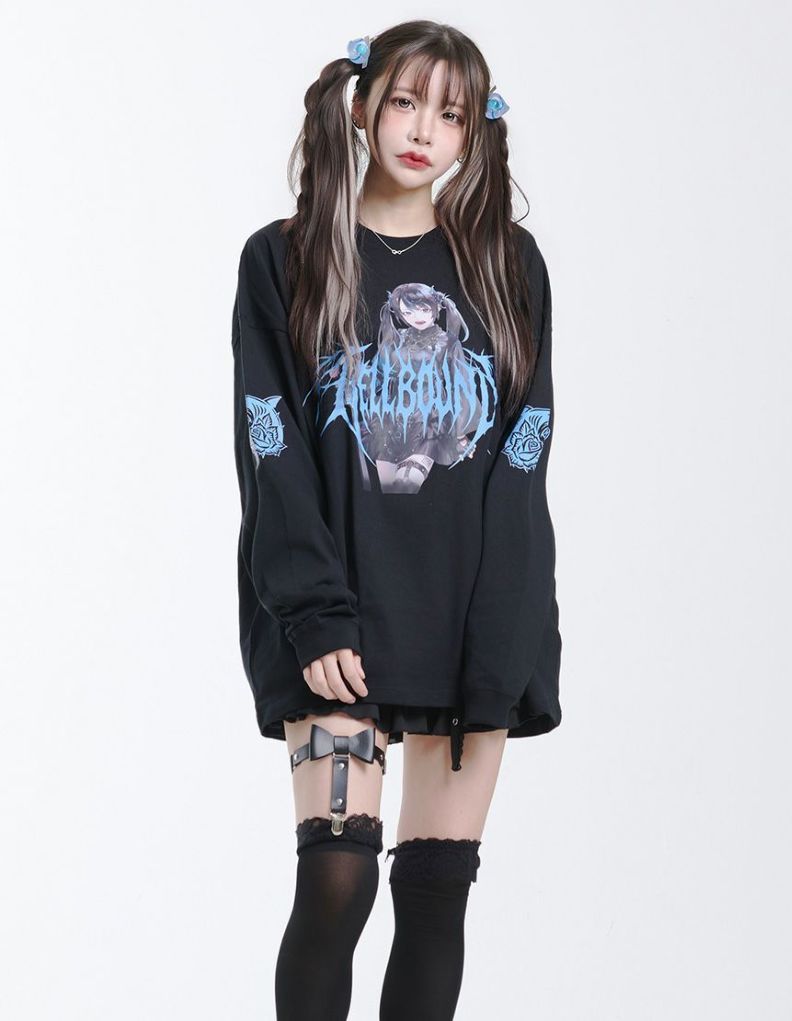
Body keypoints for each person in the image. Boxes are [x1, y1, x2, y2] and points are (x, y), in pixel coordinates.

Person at [231, 19, 563, 1020]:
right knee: (337, 883)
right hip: (336, 616)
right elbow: (270, 446)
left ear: (475, 131)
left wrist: (503, 635)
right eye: (407, 102)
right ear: (364, 105)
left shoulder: (507, 265)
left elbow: (525, 451)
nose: (423, 130)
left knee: (434, 902)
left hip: (471, 618)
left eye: (450, 113)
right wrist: (313, 612)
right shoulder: (286, 257)